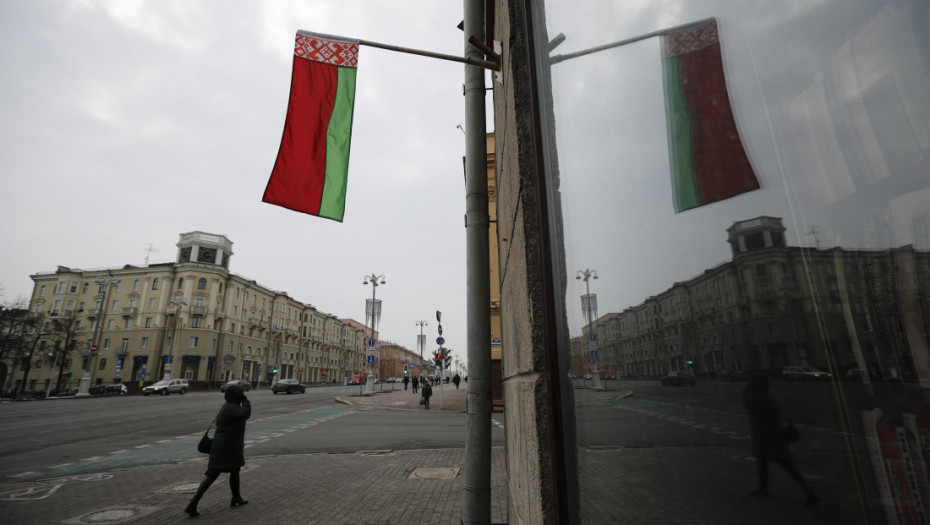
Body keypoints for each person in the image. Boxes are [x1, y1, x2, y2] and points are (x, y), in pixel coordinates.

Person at [742, 374, 819, 507]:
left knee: (785, 466)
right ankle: (763, 488)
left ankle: (810, 493)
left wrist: (746, 390)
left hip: (769, 439)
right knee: (766, 464)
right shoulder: (767, 398)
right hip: (771, 437)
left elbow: (748, 403)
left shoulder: (761, 399)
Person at [185, 385, 252, 517]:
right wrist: (246, 401)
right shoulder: (231, 407)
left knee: (234, 471)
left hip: (227, 446)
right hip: (225, 447)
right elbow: (245, 414)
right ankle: (192, 503)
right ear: (236, 396)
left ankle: (236, 497)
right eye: (241, 394)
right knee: (212, 474)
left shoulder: (228, 406)